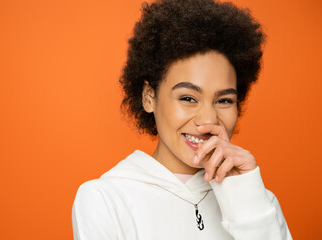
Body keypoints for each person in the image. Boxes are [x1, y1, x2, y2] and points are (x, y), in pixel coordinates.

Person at [72, 0, 292, 239]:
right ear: (148, 97)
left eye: (224, 100)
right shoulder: (105, 199)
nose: (208, 119)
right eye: (188, 98)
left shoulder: (259, 201)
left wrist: (246, 197)